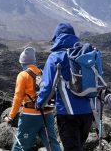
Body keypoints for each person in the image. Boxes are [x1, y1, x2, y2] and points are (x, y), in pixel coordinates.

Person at [36, 22, 94, 151]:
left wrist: (39, 103)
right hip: (88, 113)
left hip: (68, 114)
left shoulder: (55, 57)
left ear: (57, 38)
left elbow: (48, 86)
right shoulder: (84, 55)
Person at [4, 47, 61, 151]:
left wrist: (11, 117)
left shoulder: (23, 75)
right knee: (52, 144)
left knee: (20, 144)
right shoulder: (43, 73)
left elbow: (18, 97)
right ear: (34, 61)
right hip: (47, 113)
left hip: (30, 116)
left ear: (22, 62)